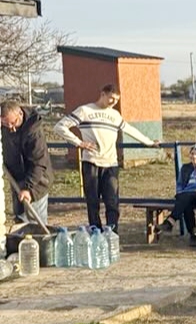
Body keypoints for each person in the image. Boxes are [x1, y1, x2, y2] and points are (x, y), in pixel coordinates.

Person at [54, 84, 159, 231]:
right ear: (102, 94)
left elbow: (129, 129)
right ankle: (95, 232)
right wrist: (79, 142)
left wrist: (148, 142)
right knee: (92, 201)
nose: (113, 102)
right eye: (111, 98)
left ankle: (112, 233)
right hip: (91, 161)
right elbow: (60, 127)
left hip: (110, 163)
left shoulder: (115, 115)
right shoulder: (85, 110)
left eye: (116, 100)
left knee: (112, 201)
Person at [1, 100, 52, 225]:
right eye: (6, 124)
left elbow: (39, 163)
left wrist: (28, 188)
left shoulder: (34, 132)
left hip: (37, 182)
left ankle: (40, 243)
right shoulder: (5, 126)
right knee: (20, 221)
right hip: (16, 180)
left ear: (20, 114)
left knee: (35, 224)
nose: (11, 128)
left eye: (14, 123)